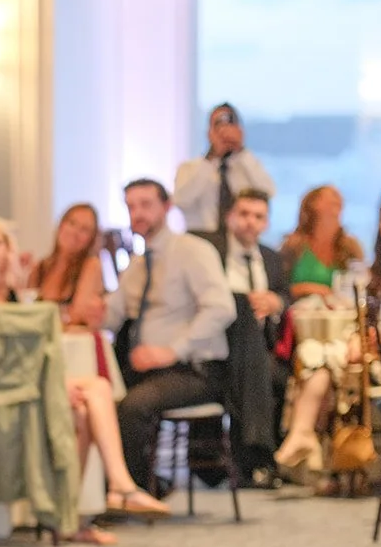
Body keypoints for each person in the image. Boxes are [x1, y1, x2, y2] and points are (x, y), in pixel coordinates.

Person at [103, 179, 237, 492]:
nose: (138, 213)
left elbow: (221, 309)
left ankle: (136, 491)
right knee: (99, 399)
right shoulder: (137, 264)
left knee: (132, 408)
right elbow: (110, 317)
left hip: (194, 370)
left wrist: (173, 350)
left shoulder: (193, 251)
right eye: (131, 207)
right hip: (150, 371)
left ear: (167, 206)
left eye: (146, 205)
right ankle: (123, 488)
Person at [191, 189, 292, 467]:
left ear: (267, 223)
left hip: (263, 344)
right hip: (219, 345)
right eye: (244, 214)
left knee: (276, 372)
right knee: (239, 312)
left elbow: (286, 295)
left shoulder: (271, 258)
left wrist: (275, 302)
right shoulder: (211, 254)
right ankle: (256, 457)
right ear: (230, 217)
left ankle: (263, 455)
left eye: (258, 216)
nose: (250, 222)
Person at [275, 185, 365, 476]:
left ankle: (304, 436)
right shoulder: (294, 245)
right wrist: (314, 289)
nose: (336, 203)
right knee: (316, 358)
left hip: (338, 326)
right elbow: (281, 287)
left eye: (339, 199)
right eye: (329, 199)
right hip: (302, 327)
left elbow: (358, 285)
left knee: (322, 363)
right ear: (312, 205)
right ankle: (310, 444)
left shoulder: (349, 246)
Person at [173, 103, 276, 233]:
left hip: (238, 242)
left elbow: (269, 193)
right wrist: (212, 157)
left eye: (229, 124)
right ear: (209, 132)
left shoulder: (247, 166)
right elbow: (181, 200)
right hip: (201, 240)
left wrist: (241, 151)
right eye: (218, 125)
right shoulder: (189, 168)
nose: (224, 131)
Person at [30, 203, 108, 329]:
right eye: (72, 223)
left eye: (84, 229)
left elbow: (78, 315)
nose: (74, 232)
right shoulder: (41, 267)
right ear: (61, 225)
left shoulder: (91, 265)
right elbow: (25, 308)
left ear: (91, 239)